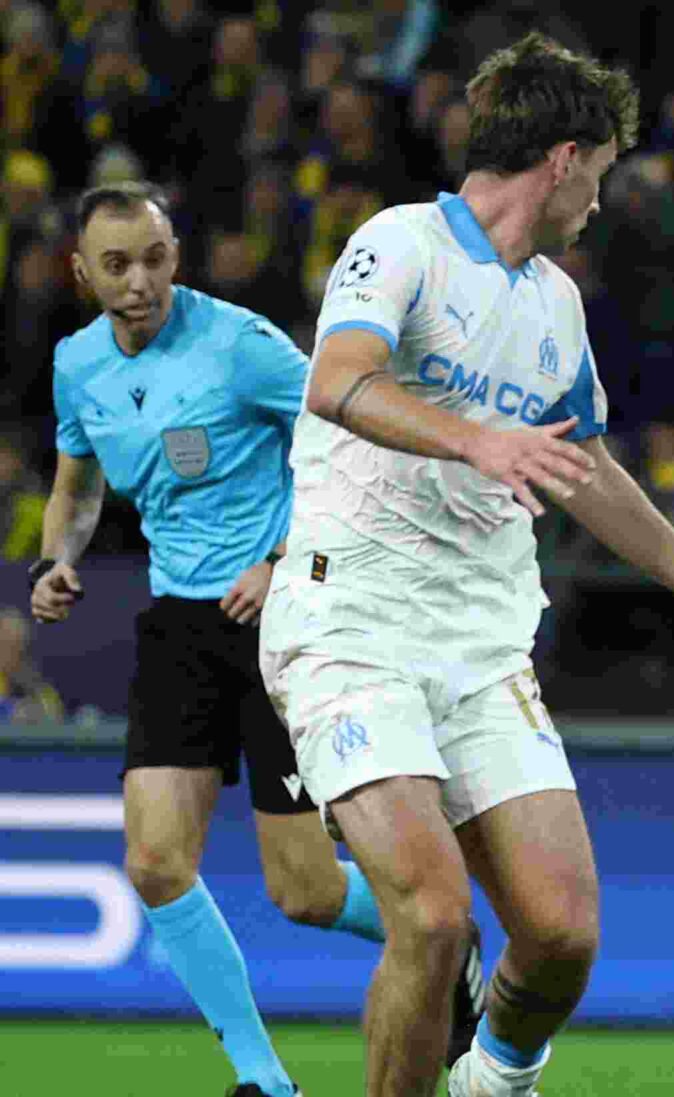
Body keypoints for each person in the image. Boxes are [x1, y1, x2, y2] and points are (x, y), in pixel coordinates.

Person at [266, 33, 674, 1097]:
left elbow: (586, 473)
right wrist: (474, 437)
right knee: (431, 920)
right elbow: (336, 381)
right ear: (564, 159)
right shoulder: (402, 243)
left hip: (480, 644)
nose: (602, 205)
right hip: (352, 622)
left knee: (561, 934)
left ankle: (492, 1081)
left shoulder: (555, 304)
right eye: (604, 176)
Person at [32, 182, 479, 1097]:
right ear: (82, 272)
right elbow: (76, 486)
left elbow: (350, 438)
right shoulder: (77, 365)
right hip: (178, 622)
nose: (139, 280)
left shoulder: (238, 345)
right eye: (116, 264)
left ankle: (448, 938)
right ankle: (263, 1080)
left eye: (154, 259)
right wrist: (56, 559)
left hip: (284, 624)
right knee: (155, 862)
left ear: (175, 258)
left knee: (305, 893)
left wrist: (282, 557)